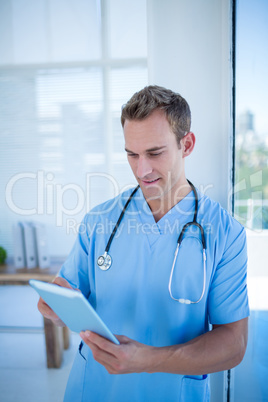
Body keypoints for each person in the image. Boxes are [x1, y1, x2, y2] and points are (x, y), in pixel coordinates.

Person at [38, 85, 249, 402]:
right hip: (94, 389)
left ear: (186, 144)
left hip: (173, 393)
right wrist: (55, 308)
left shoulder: (224, 233)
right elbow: (66, 292)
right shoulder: (100, 221)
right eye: (131, 154)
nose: (142, 169)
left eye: (154, 153)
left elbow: (233, 344)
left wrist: (149, 360)